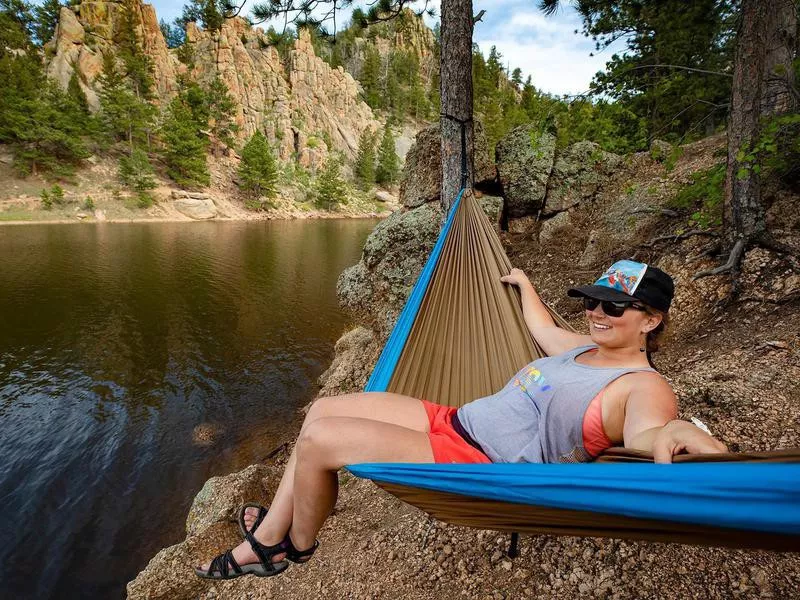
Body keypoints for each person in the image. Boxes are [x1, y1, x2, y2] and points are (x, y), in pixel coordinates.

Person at [195, 259, 727, 579]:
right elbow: (542, 330)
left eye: (614, 308)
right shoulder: (584, 348)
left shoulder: (644, 386)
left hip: (478, 461)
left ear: (652, 320)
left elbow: (649, 434)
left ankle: (287, 547)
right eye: (593, 301)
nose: (596, 314)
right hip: (453, 420)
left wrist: (680, 431)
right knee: (322, 408)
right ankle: (271, 534)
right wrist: (523, 284)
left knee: (321, 440)